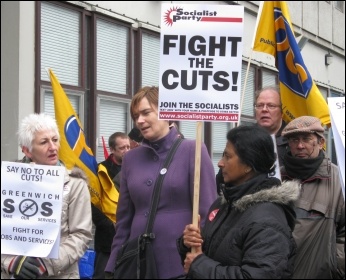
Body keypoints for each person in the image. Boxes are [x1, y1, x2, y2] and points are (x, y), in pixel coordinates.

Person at [104, 86, 217, 279]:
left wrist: (202, 261)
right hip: (138, 265)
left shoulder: (194, 149)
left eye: (146, 112)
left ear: (166, 110)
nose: (140, 121)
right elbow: (123, 220)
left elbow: (208, 213)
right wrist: (113, 265)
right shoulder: (131, 158)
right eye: (135, 115)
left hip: (180, 264)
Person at [177, 125, 300, 279]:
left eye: (227, 156)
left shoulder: (267, 220)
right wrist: (189, 243)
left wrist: (199, 265)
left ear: (248, 165)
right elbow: (204, 256)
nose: (220, 163)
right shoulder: (223, 204)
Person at [1, 113, 92, 279]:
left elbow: (81, 235)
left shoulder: (75, 184)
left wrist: (46, 264)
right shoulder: (6, 181)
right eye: (44, 142)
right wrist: (10, 261)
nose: (53, 147)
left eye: (55, 140)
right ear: (27, 150)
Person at [281, 115, 345, 279]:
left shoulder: (339, 180)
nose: (300, 145)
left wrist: (335, 266)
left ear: (321, 142)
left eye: (307, 139)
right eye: (294, 140)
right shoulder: (276, 177)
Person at [216, 85, 288, 194]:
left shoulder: (293, 142)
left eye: (271, 105)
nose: (264, 110)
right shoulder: (241, 139)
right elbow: (222, 179)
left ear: (282, 111)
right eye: (259, 105)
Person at [92, 132, 130, 278]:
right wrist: (108, 224)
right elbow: (93, 203)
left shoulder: (135, 168)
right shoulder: (100, 170)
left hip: (129, 237)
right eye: (122, 148)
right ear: (112, 149)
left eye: (128, 147)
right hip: (107, 238)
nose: (127, 150)